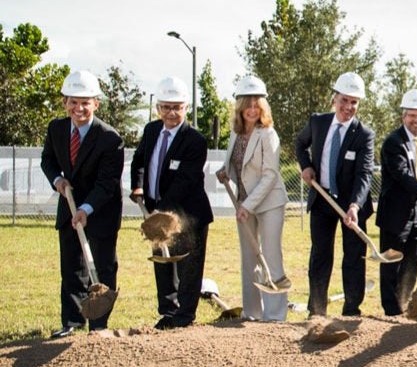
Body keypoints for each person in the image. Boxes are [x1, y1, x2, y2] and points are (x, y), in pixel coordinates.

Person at [40, 70, 124, 338]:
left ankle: (99, 324)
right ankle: (72, 322)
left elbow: (107, 183)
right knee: (72, 269)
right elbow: (47, 160)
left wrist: (86, 209)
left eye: (85, 102)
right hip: (69, 206)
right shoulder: (56, 129)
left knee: (101, 268)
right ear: (65, 102)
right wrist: (57, 181)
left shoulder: (110, 138)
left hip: (100, 210)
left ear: (96, 104)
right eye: (74, 102)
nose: (79, 108)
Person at [130, 76, 214, 329]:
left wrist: (161, 210)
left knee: (188, 264)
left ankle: (185, 315)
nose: (171, 112)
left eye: (177, 107)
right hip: (156, 208)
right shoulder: (151, 130)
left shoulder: (195, 140)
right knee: (162, 262)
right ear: (158, 108)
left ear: (186, 108)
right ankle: (168, 311)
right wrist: (138, 185)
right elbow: (140, 161)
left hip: (188, 213)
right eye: (166, 107)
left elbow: (185, 181)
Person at [295, 72, 375, 317]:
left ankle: (351, 309)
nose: (348, 107)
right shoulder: (318, 122)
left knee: (353, 257)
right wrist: (306, 165)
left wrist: (354, 206)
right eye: (344, 100)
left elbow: (364, 174)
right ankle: (317, 310)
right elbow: (300, 143)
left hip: (351, 204)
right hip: (322, 200)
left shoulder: (364, 135)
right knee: (320, 256)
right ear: (334, 99)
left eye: (354, 102)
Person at [215, 76, 289, 322]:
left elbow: (269, 176)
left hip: (269, 203)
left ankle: (275, 314)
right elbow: (238, 165)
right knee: (249, 258)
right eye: (248, 104)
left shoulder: (268, 134)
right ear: (240, 106)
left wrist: (247, 205)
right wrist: (226, 172)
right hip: (243, 202)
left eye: (257, 104)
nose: (253, 109)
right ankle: (252, 312)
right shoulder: (235, 134)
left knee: (269, 254)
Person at [375, 89, 417, 315]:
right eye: (412, 115)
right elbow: (402, 175)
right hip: (395, 213)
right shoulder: (394, 142)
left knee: (412, 261)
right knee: (392, 262)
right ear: (404, 116)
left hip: (415, 213)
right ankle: (392, 310)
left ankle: (405, 303)